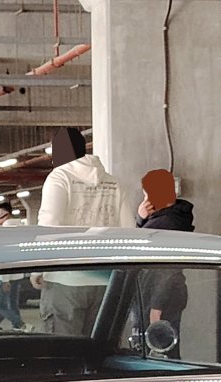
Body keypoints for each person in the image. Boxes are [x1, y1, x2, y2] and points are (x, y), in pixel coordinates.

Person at [35, 128, 129, 334]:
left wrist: (38, 269)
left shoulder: (60, 177)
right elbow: (128, 230)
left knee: (63, 354)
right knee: (99, 353)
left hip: (65, 279)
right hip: (106, 282)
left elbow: (49, 226)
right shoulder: (113, 182)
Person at [135, 169, 193, 347]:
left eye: (146, 195)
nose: (145, 201)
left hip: (158, 296)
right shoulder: (172, 218)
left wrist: (156, 307)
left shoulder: (165, 225)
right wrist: (141, 220)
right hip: (169, 294)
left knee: (156, 349)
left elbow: (166, 268)